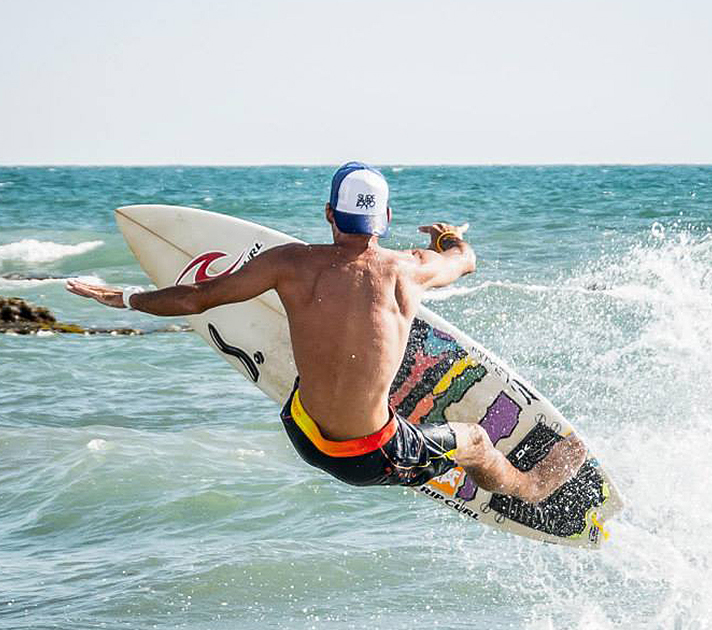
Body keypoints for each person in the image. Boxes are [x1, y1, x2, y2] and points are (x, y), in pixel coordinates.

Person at [66, 162, 585, 502]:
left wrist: (124, 297)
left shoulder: (287, 264)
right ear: (385, 218)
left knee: (314, 349)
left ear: (329, 214)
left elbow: (196, 298)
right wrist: (448, 236)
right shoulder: (409, 269)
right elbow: (464, 260)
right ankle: (530, 488)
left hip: (303, 434)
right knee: (473, 438)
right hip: (373, 458)